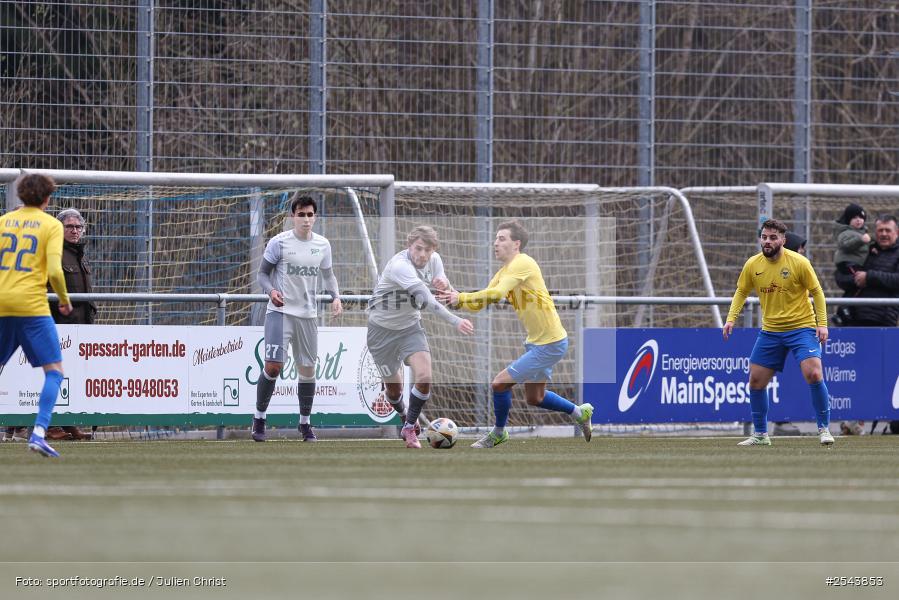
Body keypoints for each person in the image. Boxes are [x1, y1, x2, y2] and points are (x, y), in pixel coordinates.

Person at [437, 220, 594, 448]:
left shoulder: (523, 262)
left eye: (502, 239)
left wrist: (460, 297)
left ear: (516, 244)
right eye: (496, 238)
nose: (496, 243)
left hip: (550, 343)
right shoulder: (504, 271)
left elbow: (496, 293)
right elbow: (481, 302)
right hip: (538, 342)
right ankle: (580, 412)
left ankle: (499, 432)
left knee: (499, 384)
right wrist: (455, 298)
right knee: (535, 398)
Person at [723, 218, 833, 446]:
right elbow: (741, 292)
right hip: (771, 331)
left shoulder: (799, 263)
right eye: (764, 237)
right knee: (755, 381)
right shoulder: (752, 265)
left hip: (801, 327)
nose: (767, 241)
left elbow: (817, 292)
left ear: (783, 240)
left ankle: (824, 429)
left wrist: (822, 324)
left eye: (773, 237)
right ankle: (761, 434)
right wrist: (731, 319)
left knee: (813, 373)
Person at [366, 225, 473, 449]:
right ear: (409, 246)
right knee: (394, 391)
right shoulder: (400, 266)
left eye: (428, 250)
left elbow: (442, 281)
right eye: (419, 249)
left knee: (424, 377)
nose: (423, 255)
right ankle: (405, 416)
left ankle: (409, 426)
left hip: (410, 328)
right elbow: (428, 301)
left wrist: (446, 284)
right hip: (381, 332)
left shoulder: (434, 259)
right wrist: (456, 321)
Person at [251, 195, 343, 442]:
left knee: (307, 370)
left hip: (308, 316)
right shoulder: (279, 243)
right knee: (273, 366)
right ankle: (259, 418)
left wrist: (336, 296)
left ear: (315, 217)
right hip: (280, 314)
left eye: (310, 214)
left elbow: (329, 275)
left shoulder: (323, 245)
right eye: (300, 214)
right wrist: (271, 291)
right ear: (292, 216)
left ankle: (304, 424)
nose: (305, 219)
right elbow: (262, 275)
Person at [0, 174, 73, 457]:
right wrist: (64, 300)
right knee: (54, 372)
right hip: (32, 306)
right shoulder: (51, 225)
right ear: (47, 198)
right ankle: (39, 432)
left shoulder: (4, 222)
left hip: (2, 304)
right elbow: (54, 271)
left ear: (20, 196)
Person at [836, 215, 899, 436]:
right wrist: (854, 279)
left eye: (887, 231)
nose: (883, 234)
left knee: (883, 373)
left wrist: (870, 277)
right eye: (880, 230)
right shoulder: (866, 251)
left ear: (896, 233)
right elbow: (842, 275)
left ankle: (890, 421)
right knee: (856, 372)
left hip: (884, 323)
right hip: (857, 319)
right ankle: (856, 420)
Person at [44, 208, 96, 441]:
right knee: (52, 375)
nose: (75, 231)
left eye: (78, 227)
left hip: (80, 327)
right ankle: (50, 425)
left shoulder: (79, 255)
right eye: (70, 227)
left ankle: (68, 423)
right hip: (58, 326)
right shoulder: (53, 252)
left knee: (71, 376)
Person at [770, 230, 809, 437]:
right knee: (778, 376)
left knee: (805, 374)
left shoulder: (801, 270)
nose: (804, 253)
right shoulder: (780, 272)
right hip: (781, 331)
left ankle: (784, 420)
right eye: (800, 249)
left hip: (800, 330)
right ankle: (779, 421)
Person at [832, 203, 871, 325]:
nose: (858, 220)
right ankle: (843, 309)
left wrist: (872, 247)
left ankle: (843, 311)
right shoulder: (846, 232)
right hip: (848, 264)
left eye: (861, 217)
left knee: (856, 288)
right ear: (848, 220)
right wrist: (860, 240)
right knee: (860, 282)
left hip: (856, 264)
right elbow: (845, 244)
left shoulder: (863, 232)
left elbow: (868, 245)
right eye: (854, 218)